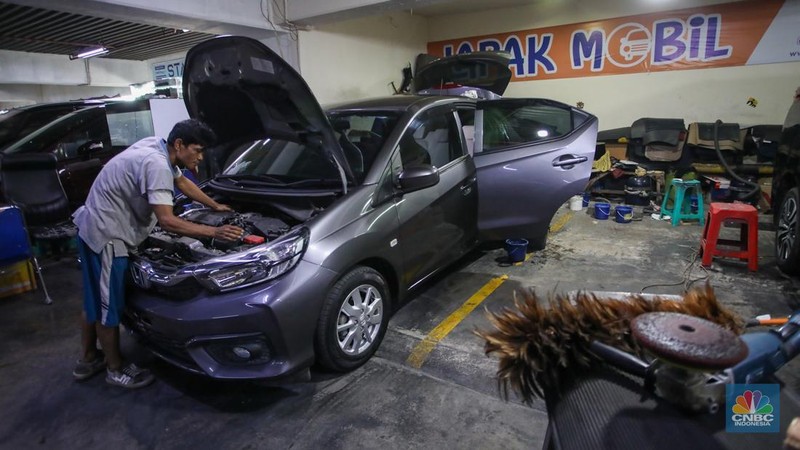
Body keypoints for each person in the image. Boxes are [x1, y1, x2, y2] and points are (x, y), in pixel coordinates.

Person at [71, 119, 243, 389]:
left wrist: (214, 205)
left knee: (94, 301)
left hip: (93, 227)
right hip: (107, 238)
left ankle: (88, 358)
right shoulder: (156, 164)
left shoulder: (156, 147)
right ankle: (115, 370)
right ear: (179, 144)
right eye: (197, 150)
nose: (200, 157)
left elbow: (182, 182)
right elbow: (167, 221)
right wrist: (213, 233)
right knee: (108, 308)